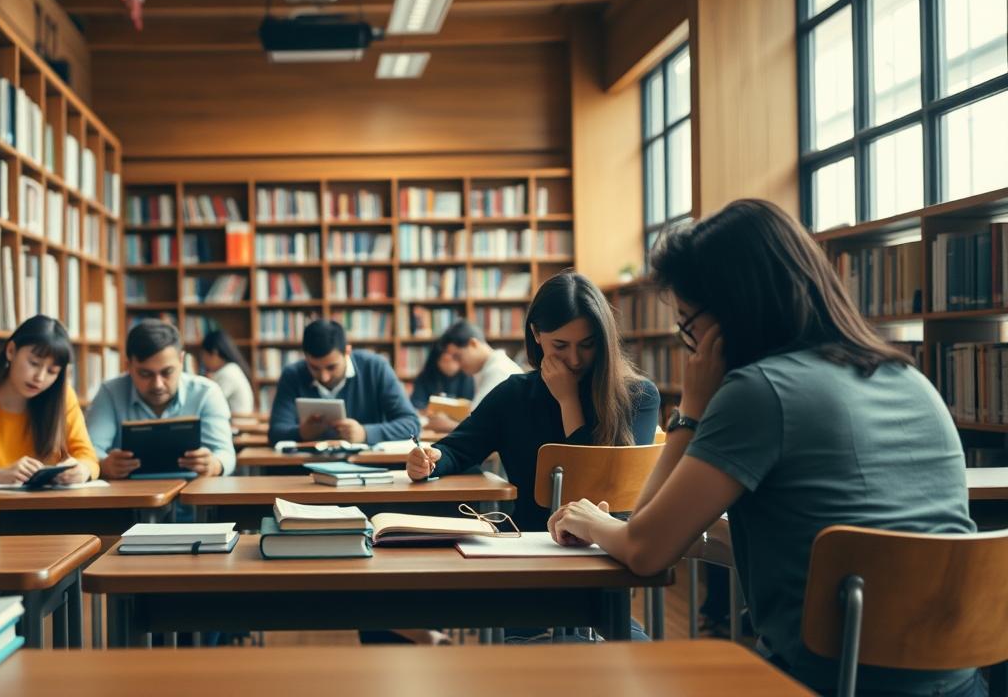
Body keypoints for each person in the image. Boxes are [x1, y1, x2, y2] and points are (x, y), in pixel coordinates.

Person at [549, 200, 980, 696]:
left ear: (732, 313)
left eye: (688, 321)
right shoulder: (907, 377)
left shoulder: (760, 391)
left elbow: (646, 550)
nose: (689, 341)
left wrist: (689, 410)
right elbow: (830, 536)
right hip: (959, 681)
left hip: (824, 681)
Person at [408, 271, 660, 532]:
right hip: (530, 540)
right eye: (560, 346)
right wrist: (431, 460)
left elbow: (587, 494)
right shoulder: (514, 394)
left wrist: (568, 400)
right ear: (537, 334)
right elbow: (459, 449)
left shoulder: (639, 396)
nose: (574, 359)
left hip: (605, 544)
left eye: (588, 344)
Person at [0, 315, 98, 486]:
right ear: (11, 351)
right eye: (34, 363)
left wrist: (82, 470)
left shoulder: (63, 397)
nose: (40, 377)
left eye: (52, 371)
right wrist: (0, 475)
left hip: (51, 506)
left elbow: (89, 458)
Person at [85, 320, 235, 478]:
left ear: (181, 360)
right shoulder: (110, 393)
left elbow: (225, 453)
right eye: (145, 374)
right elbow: (90, 450)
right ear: (128, 366)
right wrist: (103, 464)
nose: (158, 384)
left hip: (194, 497)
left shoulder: (207, 393)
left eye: (167, 372)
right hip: (129, 498)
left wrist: (214, 464)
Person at [268, 320, 418, 445]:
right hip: (308, 468)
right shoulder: (292, 374)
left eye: (331, 367)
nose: (324, 377)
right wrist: (301, 432)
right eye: (314, 367)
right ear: (305, 357)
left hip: (368, 465)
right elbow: (275, 432)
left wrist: (365, 433)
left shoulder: (375, 367)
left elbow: (411, 424)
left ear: (347, 352)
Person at [425, 321, 523, 431]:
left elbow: (478, 426)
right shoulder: (490, 368)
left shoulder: (498, 371)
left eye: (458, 356)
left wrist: (447, 425)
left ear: (473, 344)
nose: (457, 364)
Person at [200, 329, 255, 415]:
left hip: (238, 425)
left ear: (214, 353)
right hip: (236, 423)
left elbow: (209, 402)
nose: (203, 360)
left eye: (204, 355)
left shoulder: (228, 373)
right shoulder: (231, 369)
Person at [409, 341, 474, 411]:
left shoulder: (467, 377)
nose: (448, 357)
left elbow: (471, 405)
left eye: (454, 356)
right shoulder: (425, 376)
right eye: (446, 352)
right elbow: (417, 404)